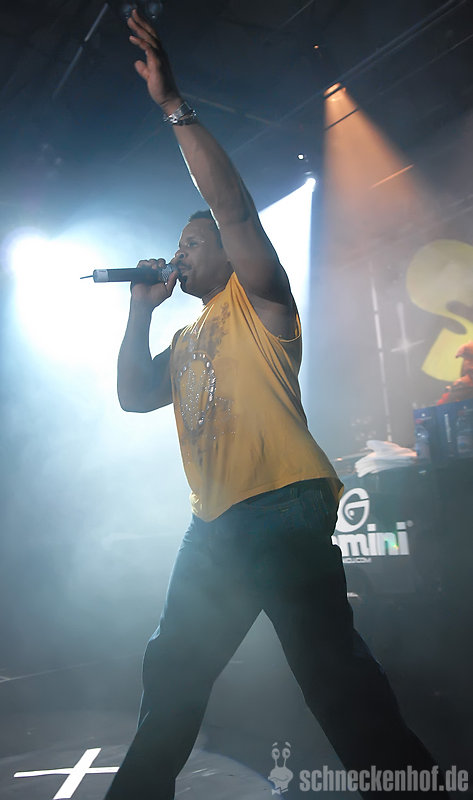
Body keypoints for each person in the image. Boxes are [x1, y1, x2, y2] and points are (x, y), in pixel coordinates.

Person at [104, 9, 446, 799]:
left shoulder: (260, 302)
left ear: (229, 254)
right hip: (213, 524)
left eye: (193, 243)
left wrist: (173, 107)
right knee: (171, 681)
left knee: (333, 680)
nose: (180, 253)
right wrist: (138, 312)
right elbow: (130, 397)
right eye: (179, 245)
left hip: (282, 506)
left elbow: (230, 208)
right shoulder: (184, 336)